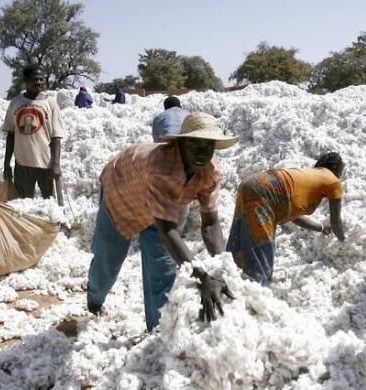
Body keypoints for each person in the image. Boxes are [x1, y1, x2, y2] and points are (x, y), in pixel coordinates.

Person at [87, 112, 239, 330]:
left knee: (164, 268)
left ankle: (157, 331)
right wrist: (203, 276)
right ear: (181, 144)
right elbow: (167, 230)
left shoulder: (211, 172)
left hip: (164, 206)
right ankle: (94, 298)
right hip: (123, 193)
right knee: (109, 259)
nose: (201, 152)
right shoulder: (161, 167)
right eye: (194, 144)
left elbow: (211, 224)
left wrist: (223, 267)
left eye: (208, 146)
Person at [226, 152, 346, 286]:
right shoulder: (333, 180)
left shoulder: (307, 177)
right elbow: (336, 221)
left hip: (253, 184)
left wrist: (321, 228)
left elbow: (293, 216)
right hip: (267, 192)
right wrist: (345, 243)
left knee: (239, 247)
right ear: (336, 169)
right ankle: (255, 295)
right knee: (261, 255)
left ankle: (230, 282)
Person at [3, 64, 64, 198]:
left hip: (46, 165)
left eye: (42, 79)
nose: (39, 82)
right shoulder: (15, 103)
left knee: (49, 205)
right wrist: (7, 164)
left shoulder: (51, 103)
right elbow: (11, 136)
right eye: (35, 79)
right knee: (23, 205)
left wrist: (56, 164)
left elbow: (56, 137)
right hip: (22, 165)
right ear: (25, 80)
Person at [152, 96, 190, 235]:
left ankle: (164, 228)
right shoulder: (188, 115)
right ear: (180, 106)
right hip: (186, 156)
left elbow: (156, 141)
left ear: (165, 107)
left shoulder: (159, 117)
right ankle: (178, 232)